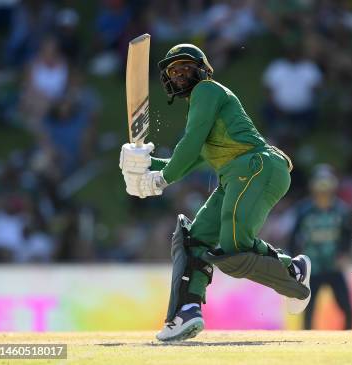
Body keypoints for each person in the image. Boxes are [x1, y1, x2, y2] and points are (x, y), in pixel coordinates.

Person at [118, 44, 311, 341]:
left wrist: (159, 180)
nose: (180, 75)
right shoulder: (202, 110)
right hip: (237, 175)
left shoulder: (207, 91)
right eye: (174, 71)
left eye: (186, 68)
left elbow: (190, 143)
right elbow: (190, 157)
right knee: (194, 241)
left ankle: (293, 268)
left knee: (233, 247)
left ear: (203, 70)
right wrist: (142, 162)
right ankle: (186, 312)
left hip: (257, 166)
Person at [289, 165, 352, 329]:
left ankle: (349, 338)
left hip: (334, 266)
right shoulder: (304, 210)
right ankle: (306, 341)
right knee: (308, 308)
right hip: (313, 267)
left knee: (346, 307)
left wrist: (343, 254)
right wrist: (294, 262)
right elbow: (293, 237)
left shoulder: (341, 210)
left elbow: (349, 235)